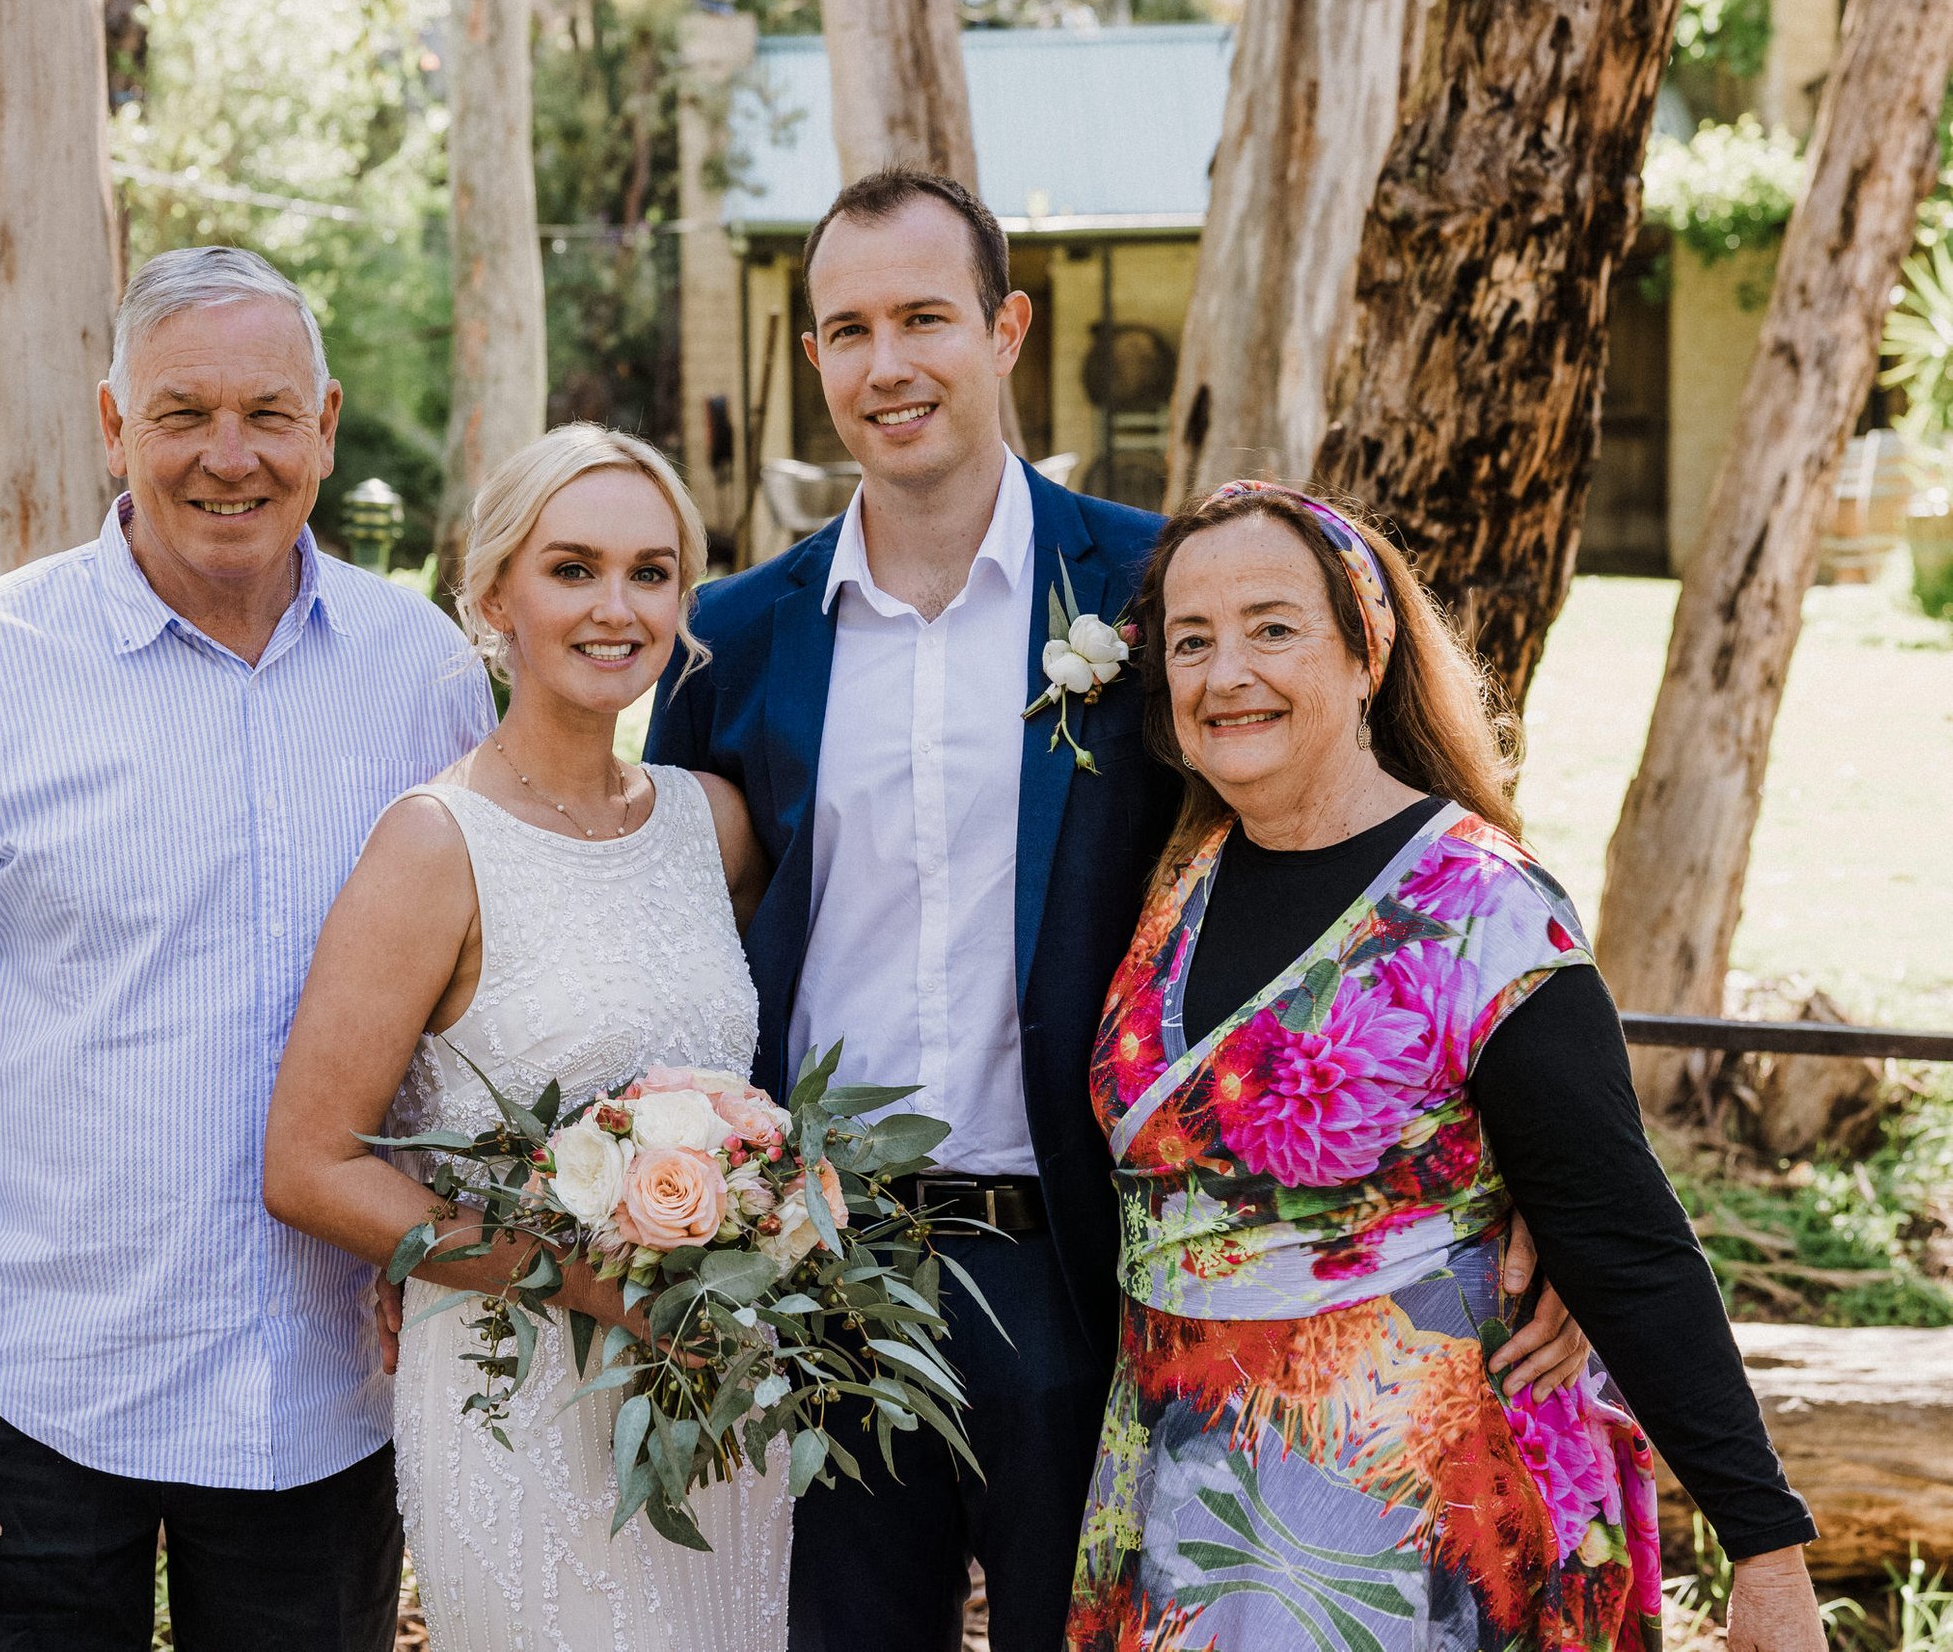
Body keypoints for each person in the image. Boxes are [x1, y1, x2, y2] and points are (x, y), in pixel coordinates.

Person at [646, 171, 1591, 1652]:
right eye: (846, 330)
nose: (886, 364)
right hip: (819, 1268)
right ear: (817, 355)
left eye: (924, 318)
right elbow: (664, 938)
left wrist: (1543, 1162)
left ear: (1007, 326)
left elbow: (1361, 853)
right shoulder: (737, 636)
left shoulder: (1156, 590)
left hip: (1085, 1260)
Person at [0, 246, 493, 1650]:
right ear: (113, 424)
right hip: (20, 1401)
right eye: (181, 413)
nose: (229, 456)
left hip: (320, 1403)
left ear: (327, 424)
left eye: (268, 413)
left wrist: (442, 1257)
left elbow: (462, 1023)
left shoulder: (426, 676)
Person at [1061, 481, 1825, 1652]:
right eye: (1192, 642)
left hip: (1418, 1517)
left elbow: (1622, 1232)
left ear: (1366, 650)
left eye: (1273, 627)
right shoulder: (1183, 881)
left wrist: (1764, 1548)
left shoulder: (1478, 906)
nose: (1227, 674)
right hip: (1181, 1500)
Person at [263, 423, 786, 1652]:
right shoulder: (434, 844)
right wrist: (585, 1277)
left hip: (713, 1389)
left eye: (650, 572)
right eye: (573, 568)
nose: (617, 606)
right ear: (494, 590)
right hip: (519, 1388)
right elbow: (308, 1162)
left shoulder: (709, 827)